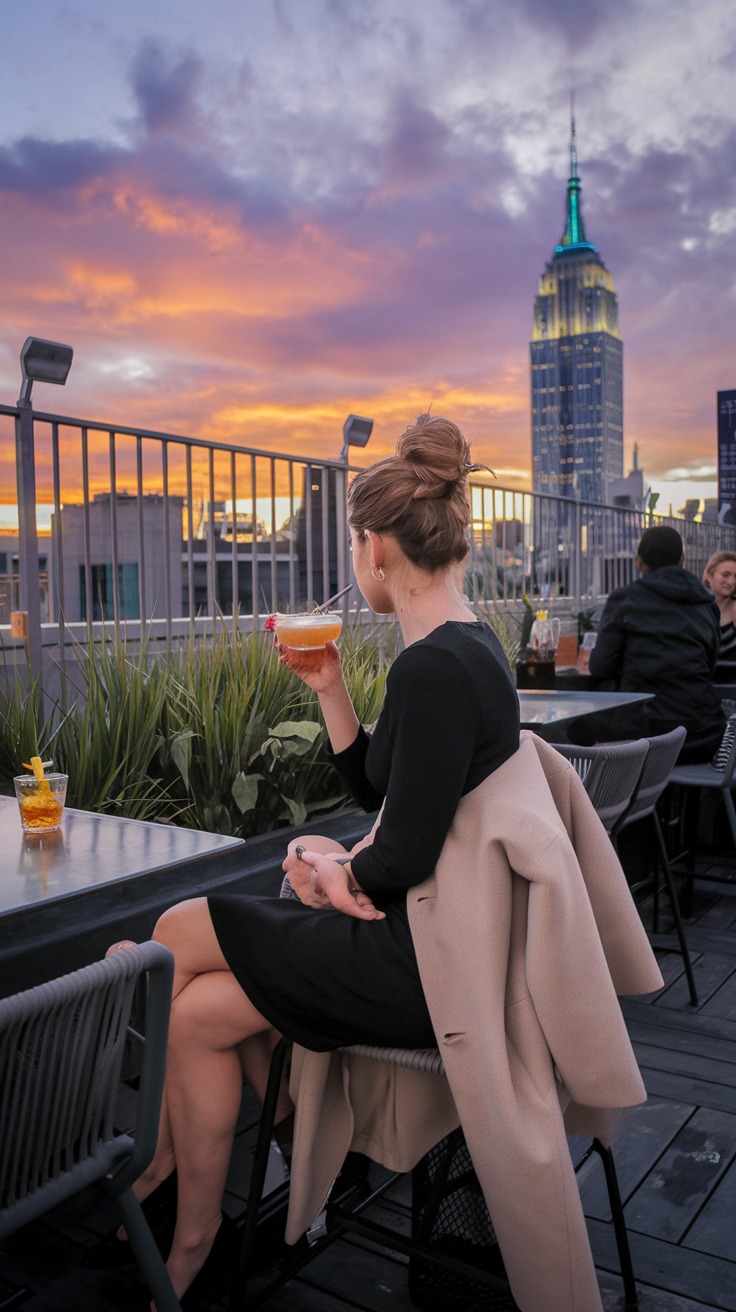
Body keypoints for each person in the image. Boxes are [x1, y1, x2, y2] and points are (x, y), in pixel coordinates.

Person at [105, 414, 521, 1308]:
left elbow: (398, 849)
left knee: (176, 934)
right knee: (201, 1012)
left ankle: (164, 1168)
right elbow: (385, 793)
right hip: (436, 941)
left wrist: (335, 879)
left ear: (375, 549)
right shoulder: (463, 648)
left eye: (355, 543)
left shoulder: (434, 669)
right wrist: (332, 688)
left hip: (420, 966)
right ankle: (198, 1222)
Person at [569, 524, 724, 762]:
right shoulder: (706, 604)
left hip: (648, 740)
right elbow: (709, 665)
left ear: (639, 562)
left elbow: (601, 668)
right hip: (703, 735)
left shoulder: (624, 600)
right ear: (682, 560)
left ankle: (602, 798)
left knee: (574, 727)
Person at [703, 549, 736, 685]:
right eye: (725, 575)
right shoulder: (699, 609)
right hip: (704, 687)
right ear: (710, 575)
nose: (731, 581)